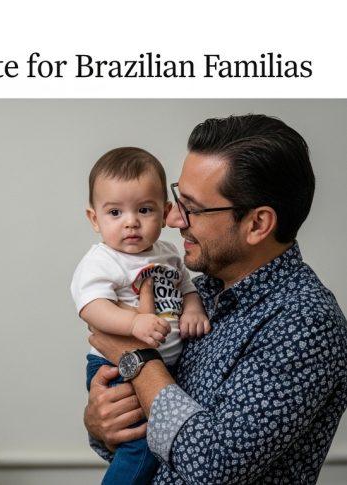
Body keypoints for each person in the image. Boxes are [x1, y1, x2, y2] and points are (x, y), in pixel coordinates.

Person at [85, 115, 347, 484]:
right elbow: (151, 442)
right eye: (177, 199)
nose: (173, 219)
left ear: (257, 224)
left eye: (192, 207)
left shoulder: (304, 322)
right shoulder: (201, 289)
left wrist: (137, 359)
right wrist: (102, 426)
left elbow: (212, 467)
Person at [71, 147, 208, 484]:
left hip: (163, 366)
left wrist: (192, 308)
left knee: (153, 443)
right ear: (94, 219)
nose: (131, 221)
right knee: (141, 445)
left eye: (144, 210)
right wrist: (133, 323)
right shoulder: (102, 261)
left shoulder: (169, 253)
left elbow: (186, 287)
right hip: (117, 367)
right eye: (115, 212)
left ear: (164, 213)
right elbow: (91, 308)